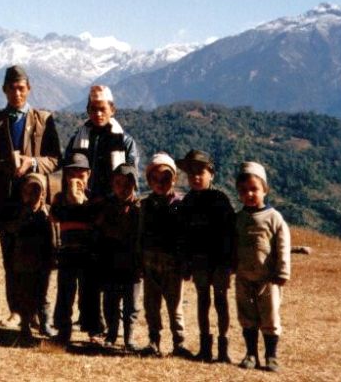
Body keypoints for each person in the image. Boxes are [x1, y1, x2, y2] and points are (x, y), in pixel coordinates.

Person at [0, 65, 61, 328]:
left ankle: (38, 311)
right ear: (4, 90)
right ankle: (16, 311)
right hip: (7, 201)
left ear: (29, 89)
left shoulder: (43, 120)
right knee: (10, 257)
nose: (17, 93)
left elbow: (55, 159)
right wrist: (4, 166)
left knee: (39, 259)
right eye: (12, 88)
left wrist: (33, 163)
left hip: (36, 203)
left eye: (21, 88)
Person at [177, 149, 236, 363]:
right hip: (199, 262)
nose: (195, 176)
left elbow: (230, 233)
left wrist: (230, 262)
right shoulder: (187, 203)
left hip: (219, 261)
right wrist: (185, 263)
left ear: (211, 173)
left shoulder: (221, 200)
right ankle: (204, 347)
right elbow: (182, 236)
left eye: (200, 171)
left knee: (221, 301)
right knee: (203, 301)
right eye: (191, 172)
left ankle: (223, 347)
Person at [234, 162, 291, 372]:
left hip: (268, 279)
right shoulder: (238, 218)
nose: (249, 194)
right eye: (243, 190)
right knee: (247, 317)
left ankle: (271, 355)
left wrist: (283, 271)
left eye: (254, 189)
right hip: (243, 277)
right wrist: (232, 265)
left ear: (265, 189)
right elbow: (233, 244)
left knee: (270, 317)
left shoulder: (274, 218)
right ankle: (250, 354)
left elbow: (283, 245)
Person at [138, 152, 192, 357]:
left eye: (166, 179)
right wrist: (139, 261)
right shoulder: (144, 206)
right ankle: (154, 341)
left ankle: (179, 343)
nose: (161, 183)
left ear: (174, 179)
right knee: (151, 306)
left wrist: (185, 263)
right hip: (150, 264)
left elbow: (185, 237)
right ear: (149, 180)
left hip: (173, 265)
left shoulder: (180, 206)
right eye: (156, 179)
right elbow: (140, 236)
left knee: (174, 305)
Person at [51, 153, 99, 344]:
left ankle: (93, 331)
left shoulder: (94, 199)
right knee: (65, 292)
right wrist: (71, 199)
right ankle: (63, 329)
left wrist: (81, 202)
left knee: (90, 293)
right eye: (72, 173)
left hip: (88, 253)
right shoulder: (60, 198)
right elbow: (56, 217)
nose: (77, 177)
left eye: (81, 173)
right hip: (67, 252)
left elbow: (95, 219)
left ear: (89, 174)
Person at [95, 163, 142, 351]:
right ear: (112, 185)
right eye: (118, 183)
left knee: (132, 304)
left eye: (128, 184)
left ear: (135, 185)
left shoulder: (140, 207)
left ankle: (129, 338)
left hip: (133, 264)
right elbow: (98, 232)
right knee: (110, 302)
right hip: (110, 262)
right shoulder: (106, 206)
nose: (123, 188)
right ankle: (112, 334)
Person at [2, 173, 55, 341]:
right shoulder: (19, 212)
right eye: (27, 192)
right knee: (25, 294)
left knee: (43, 294)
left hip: (42, 261)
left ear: (43, 193)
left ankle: (45, 323)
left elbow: (53, 236)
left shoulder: (48, 213)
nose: (31, 196)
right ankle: (25, 325)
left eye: (35, 192)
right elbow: (11, 232)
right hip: (23, 261)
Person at [64, 85, 139, 200]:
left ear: (112, 110)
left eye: (102, 109)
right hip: (83, 202)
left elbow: (131, 177)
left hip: (114, 205)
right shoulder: (76, 140)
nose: (98, 114)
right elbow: (67, 174)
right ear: (88, 110)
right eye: (94, 109)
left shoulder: (125, 142)